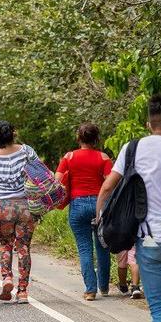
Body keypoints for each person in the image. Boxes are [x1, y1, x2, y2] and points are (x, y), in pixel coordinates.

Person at [96, 93, 161, 322]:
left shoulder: (133, 148)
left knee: (160, 310)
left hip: (149, 240)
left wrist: (100, 220)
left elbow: (107, 187)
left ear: (148, 124)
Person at [0, 120, 38, 304]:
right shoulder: (26, 151)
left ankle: (6, 277)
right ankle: (22, 291)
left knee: (5, 244)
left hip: (4, 206)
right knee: (23, 247)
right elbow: (39, 173)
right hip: (25, 206)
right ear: (14, 133)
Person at [55, 123, 113, 301]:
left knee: (84, 248)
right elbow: (111, 184)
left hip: (78, 205)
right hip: (99, 205)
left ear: (78, 138)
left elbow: (57, 181)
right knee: (103, 246)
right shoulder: (103, 158)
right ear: (96, 139)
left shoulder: (69, 157)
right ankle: (104, 287)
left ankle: (90, 290)